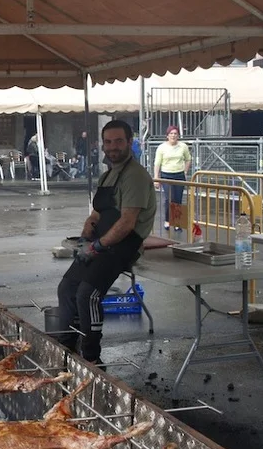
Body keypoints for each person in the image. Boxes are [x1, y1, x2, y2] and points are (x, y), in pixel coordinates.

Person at [55, 119, 157, 364]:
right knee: (66, 288)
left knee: (88, 294)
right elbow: (97, 214)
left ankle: (92, 357)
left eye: (118, 141)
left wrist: (97, 246)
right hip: (99, 241)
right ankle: (67, 346)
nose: (112, 147)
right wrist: (85, 234)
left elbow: (127, 222)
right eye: (108, 142)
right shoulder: (107, 176)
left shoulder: (135, 176)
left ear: (129, 142)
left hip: (125, 245)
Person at [152, 125, 191, 231]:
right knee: (169, 198)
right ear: (167, 136)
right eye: (171, 134)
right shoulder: (162, 147)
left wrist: (185, 171)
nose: (173, 136)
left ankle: (178, 222)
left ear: (178, 135)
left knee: (178, 199)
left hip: (179, 175)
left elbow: (188, 159)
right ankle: (168, 220)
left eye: (175, 134)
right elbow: (157, 163)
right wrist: (156, 177)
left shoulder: (183, 146)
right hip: (166, 175)